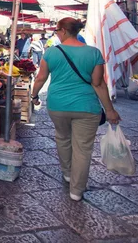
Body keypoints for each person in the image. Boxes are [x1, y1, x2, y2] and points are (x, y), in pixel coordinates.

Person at [30, 17, 121, 202]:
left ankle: (67, 173)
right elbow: (99, 84)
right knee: (83, 148)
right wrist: (109, 110)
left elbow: (40, 78)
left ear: (63, 30)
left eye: (56, 30)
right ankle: (76, 191)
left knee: (63, 138)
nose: (56, 33)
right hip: (87, 107)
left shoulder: (51, 53)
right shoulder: (94, 53)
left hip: (57, 105)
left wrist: (34, 96)